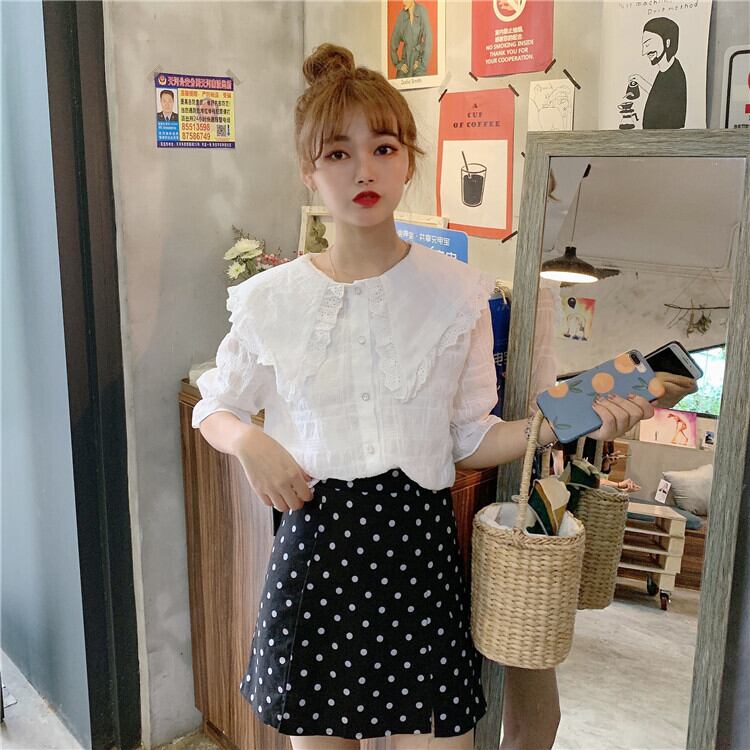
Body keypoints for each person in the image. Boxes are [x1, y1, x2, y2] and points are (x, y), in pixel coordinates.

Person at [191, 43, 657, 750]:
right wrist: (249, 441)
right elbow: (214, 405)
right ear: (308, 171)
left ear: (408, 160)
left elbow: (470, 437)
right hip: (317, 558)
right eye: (338, 153)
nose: (364, 170)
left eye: (382, 147)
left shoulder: (457, 292)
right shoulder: (271, 300)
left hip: (419, 558)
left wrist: (572, 418)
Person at [630, 16, 686, 129]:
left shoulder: (675, 75)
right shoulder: (666, 70)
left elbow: (672, 118)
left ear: (667, 42)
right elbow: (660, 94)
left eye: (648, 44)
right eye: (643, 45)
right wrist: (639, 80)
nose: (644, 52)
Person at [389, 0, 433, 79]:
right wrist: (397, 63)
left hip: (418, 60)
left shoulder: (421, 10)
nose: (403, 2)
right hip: (405, 62)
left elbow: (428, 38)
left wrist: (422, 63)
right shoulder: (402, 15)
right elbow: (393, 41)